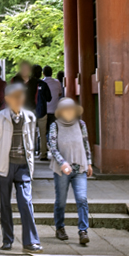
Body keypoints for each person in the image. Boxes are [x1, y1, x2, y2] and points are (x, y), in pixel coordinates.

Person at [0, 81, 41, 255]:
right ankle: (7, 239)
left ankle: (30, 241)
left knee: (25, 201)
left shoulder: (30, 117)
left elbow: (31, 141)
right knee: (5, 203)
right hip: (5, 165)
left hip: (23, 165)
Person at [47, 97, 92, 246]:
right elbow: (52, 147)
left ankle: (83, 230)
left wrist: (89, 162)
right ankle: (60, 227)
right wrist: (62, 162)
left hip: (80, 167)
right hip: (62, 170)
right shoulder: (55, 126)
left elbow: (86, 144)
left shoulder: (81, 124)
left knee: (82, 199)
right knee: (60, 201)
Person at [34, 65, 54, 159]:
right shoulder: (43, 84)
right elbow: (49, 98)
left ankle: (31, 153)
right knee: (42, 134)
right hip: (42, 111)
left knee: (31, 134)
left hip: (31, 113)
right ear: (40, 73)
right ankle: (43, 154)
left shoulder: (28, 84)